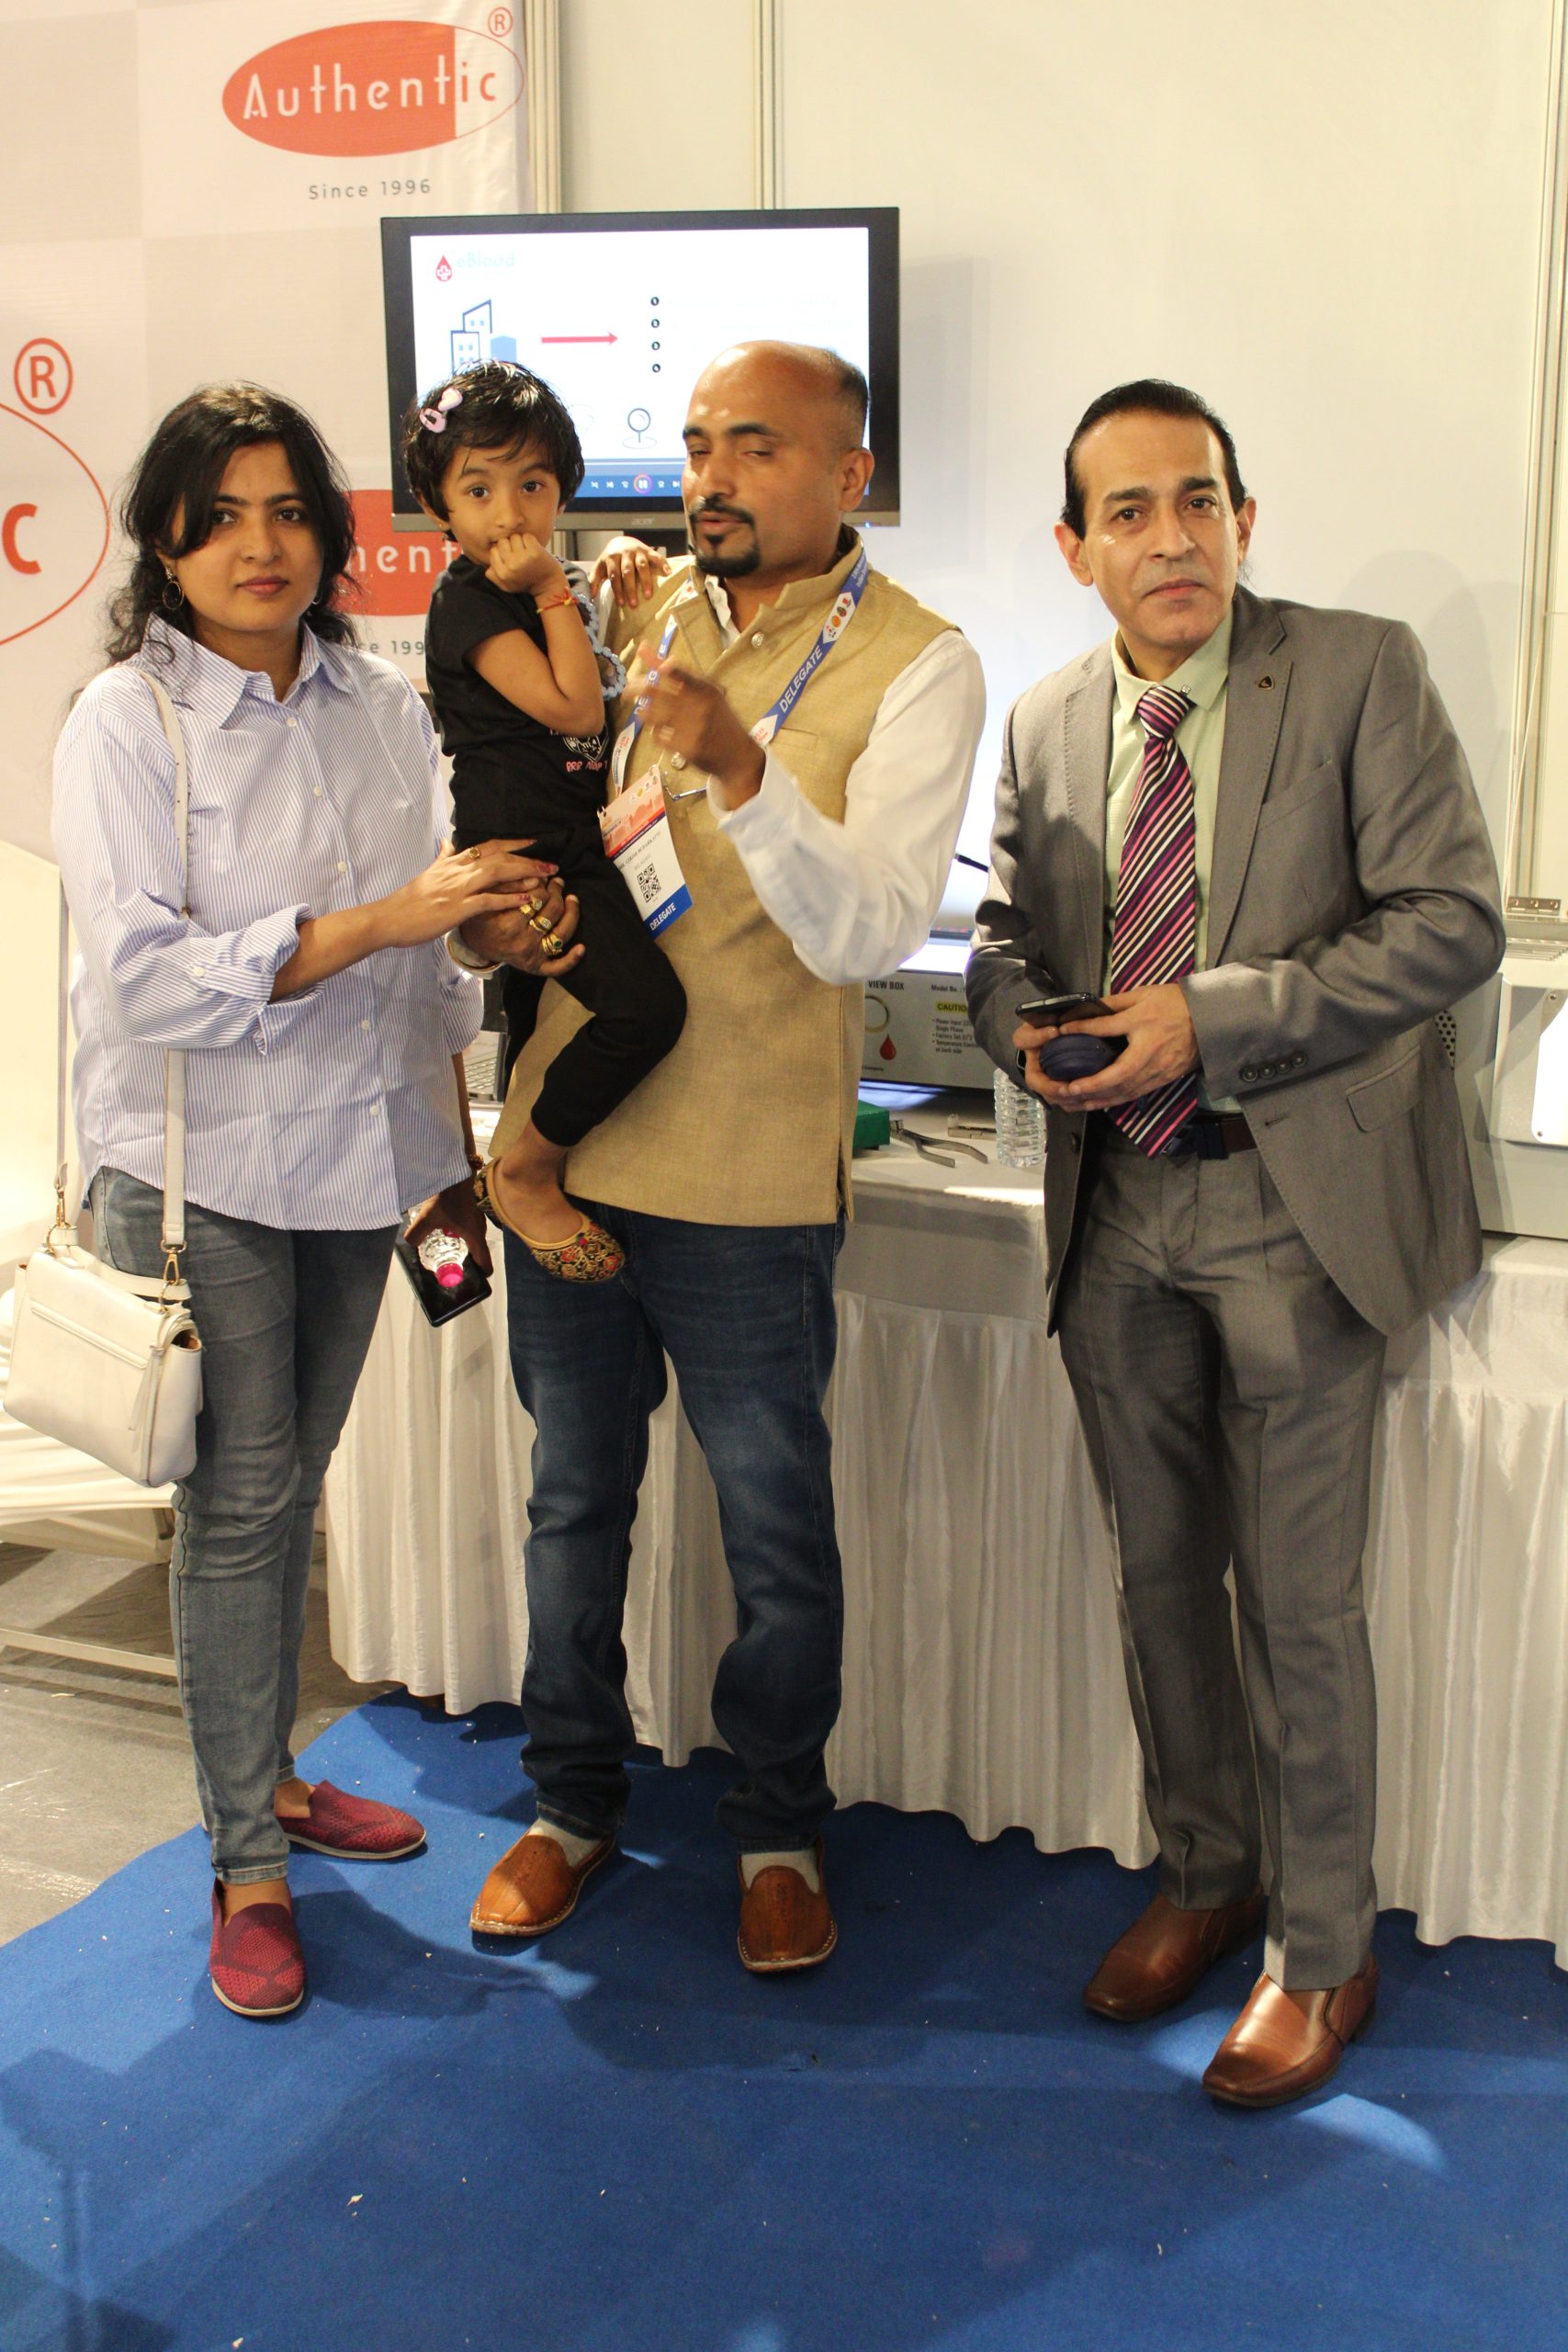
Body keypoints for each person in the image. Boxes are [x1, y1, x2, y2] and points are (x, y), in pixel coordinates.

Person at [966, 379, 1505, 2106]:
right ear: (1074, 550)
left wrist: (1209, 1017)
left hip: (1291, 1206)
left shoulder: (1353, 673)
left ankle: (1322, 1951)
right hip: (1114, 1209)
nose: (1169, 536)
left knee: (1298, 1603)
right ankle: (1204, 1877)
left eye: (1195, 499)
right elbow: (999, 928)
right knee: (1155, 1582)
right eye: (1126, 511)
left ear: (1243, 520)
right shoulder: (1047, 718)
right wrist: (1014, 1022)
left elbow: (1450, 922)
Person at [454, 341, 986, 1970]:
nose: (712, 476)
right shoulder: (635, 610)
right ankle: (569, 1805)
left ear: (848, 474)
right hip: (568, 1153)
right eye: (695, 445)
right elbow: (552, 817)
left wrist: (746, 772)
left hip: (751, 1178)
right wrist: (497, 921)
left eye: (754, 446)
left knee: (773, 1531)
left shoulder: (917, 661)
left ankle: (773, 1827)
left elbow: (869, 931)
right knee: (570, 1507)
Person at [52, 383, 551, 2018]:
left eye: (287, 514)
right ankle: (244, 1861)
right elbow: (146, 981)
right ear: (167, 539)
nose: (258, 547)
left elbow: (422, 956)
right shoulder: (127, 720)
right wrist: (383, 921)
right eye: (221, 517)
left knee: (290, 1486)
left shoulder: (381, 704)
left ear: (332, 538)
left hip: (363, 1159)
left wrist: (475, 956)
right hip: (201, 1171)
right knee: (244, 1503)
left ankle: (262, 1771)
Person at [403, 361, 686, 1283]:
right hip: (529, 854)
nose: (509, 512)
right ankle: (523, 1172)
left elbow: (597, 671)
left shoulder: (547, 583)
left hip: (570, 842)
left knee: (550, 1028)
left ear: (565, 486)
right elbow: (573, 707)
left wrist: (585, 581)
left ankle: (530, 1164)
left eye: (532, 484)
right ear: (438, 507)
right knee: (646, 1009)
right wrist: (557, 595)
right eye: (478, 490)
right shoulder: (468, 599)